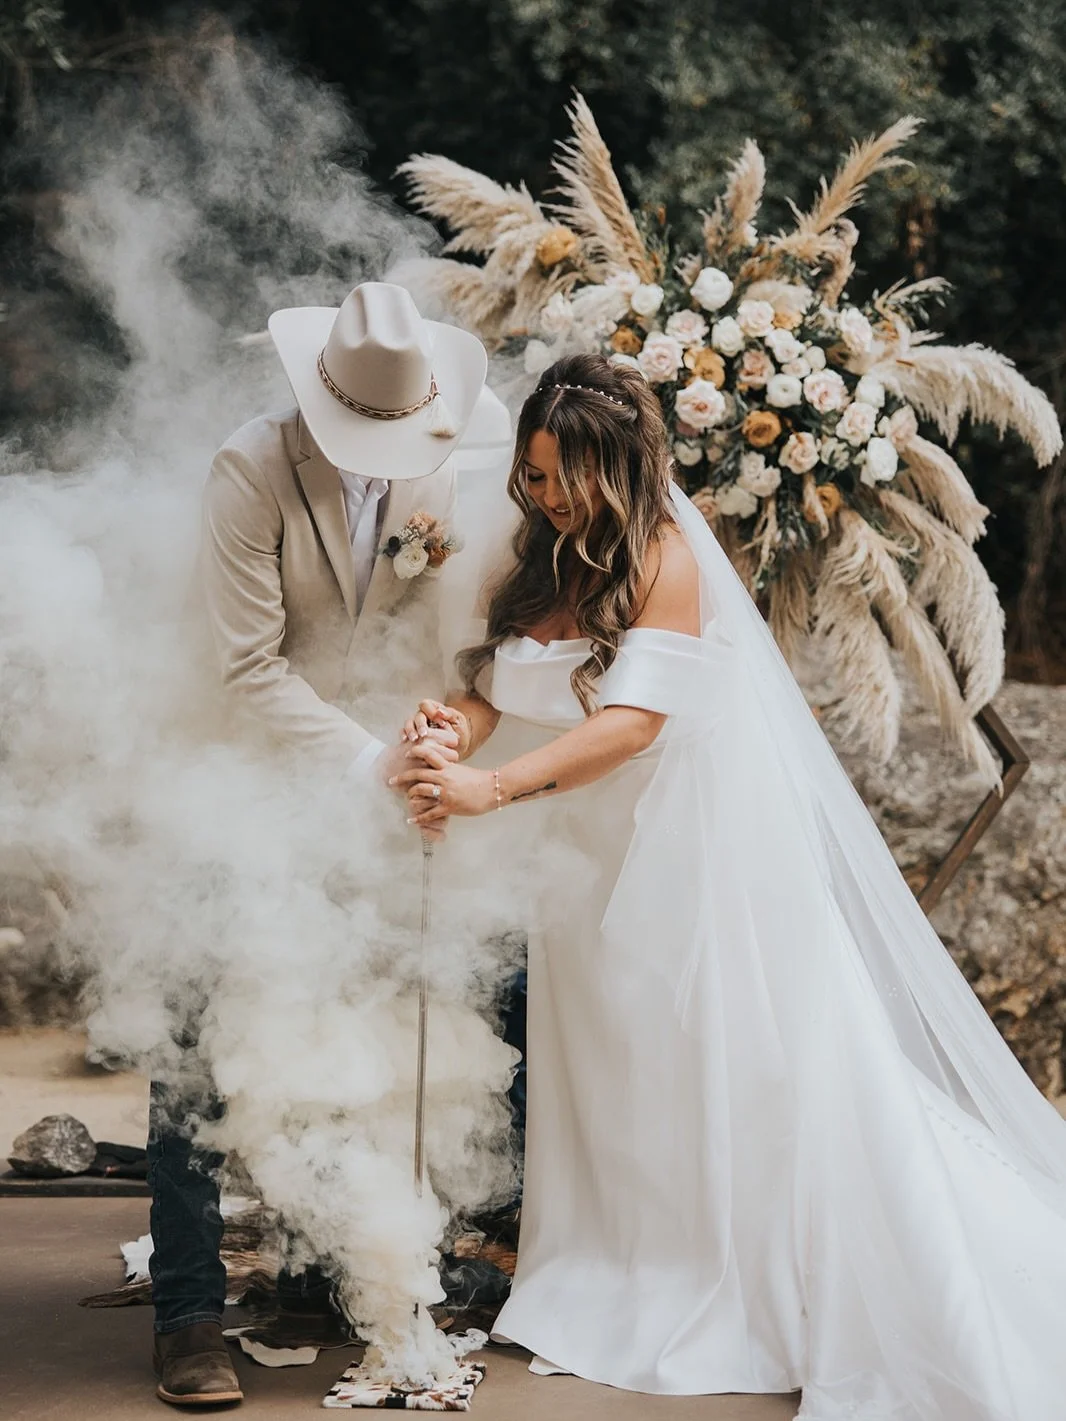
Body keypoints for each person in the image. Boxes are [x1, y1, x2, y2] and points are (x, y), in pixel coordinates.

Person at [394, 351, 1066, 1419]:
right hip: (577, 859)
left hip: (683, 852)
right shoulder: (538, 553)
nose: (546, 495)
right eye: (533, 474)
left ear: (621, 470)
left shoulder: (666, 558)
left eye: (565, 477)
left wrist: (489, 787)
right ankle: (617, 1256)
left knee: (704, 1055)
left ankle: (719, 1269)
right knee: (610, 1060)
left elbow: (630, 722)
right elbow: (494, 678)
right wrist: (452, 726)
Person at [148, 281, 487, 1407]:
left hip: (363, 777)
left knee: (339, 1016)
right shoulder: (248, 469)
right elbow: (247, 667)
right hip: (233, 766)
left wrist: (434, 729)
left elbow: (430, 634)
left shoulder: (437, 459)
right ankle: (188, 1310)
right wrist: (367, 761)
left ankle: (304, 1276)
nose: (389, 456)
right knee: (195, 1035)